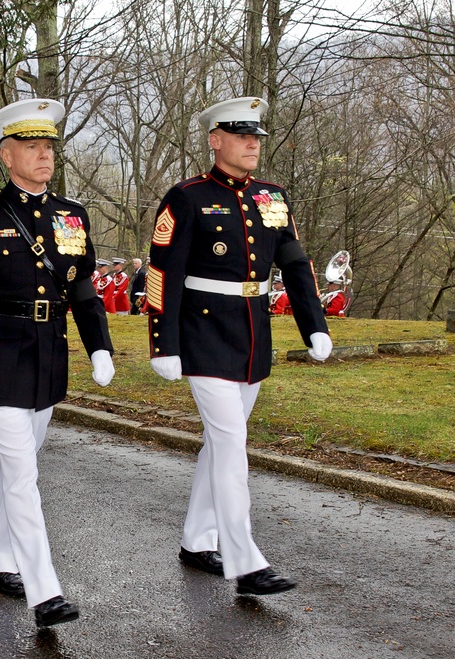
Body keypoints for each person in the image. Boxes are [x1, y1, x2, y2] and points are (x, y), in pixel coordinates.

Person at [0, 98, 115, 628]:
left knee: (19, 467)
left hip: (46, 355)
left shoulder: (71, 216)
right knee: (23, 474)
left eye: (49, 147)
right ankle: (44, 589)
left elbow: (82, 289)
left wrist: (99, 345)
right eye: (32, 148)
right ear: (7, 155)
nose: (44, 156)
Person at [147, 96, 332, 596]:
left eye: (256, 136)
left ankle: (195, 540)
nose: (252, 143)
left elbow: (295, 263)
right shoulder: (186, 197)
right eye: (241, 135)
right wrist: (163, 343)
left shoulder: (273, 196)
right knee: (231, 443)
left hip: (252, 334)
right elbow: (163, 272)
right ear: (215, 140)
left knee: (220, 443)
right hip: (203, 334)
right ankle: (245, 561)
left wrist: (314, 324)